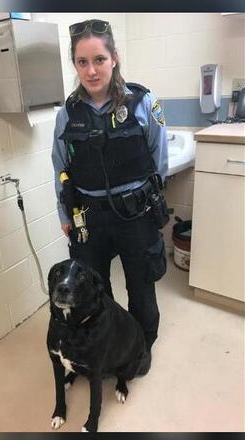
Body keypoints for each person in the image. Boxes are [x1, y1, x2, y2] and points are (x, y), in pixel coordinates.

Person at [51, 19, 169, 355]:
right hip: (89, 216)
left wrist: (148, 196)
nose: (91, 71)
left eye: (99, 59)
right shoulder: (67, 114)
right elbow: (60, 166)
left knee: (141, 284)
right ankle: (109, 343)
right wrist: (65, 214)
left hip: (136, 213)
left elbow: (159, 159)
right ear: (74, 64)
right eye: (82, 62)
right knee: (93, 289)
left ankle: (142, 346)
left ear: (114, 57)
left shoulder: (142, 102)